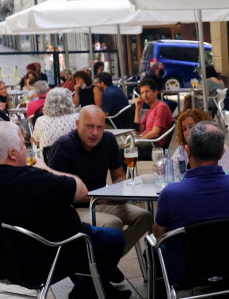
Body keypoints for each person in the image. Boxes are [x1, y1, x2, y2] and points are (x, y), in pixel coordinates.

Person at [0, 121, 130, 299]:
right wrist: (46, 168)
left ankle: (102, 290)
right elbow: (81, 191)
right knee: (112, 240)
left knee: (90, 240)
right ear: (13, 154)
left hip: (0, 263)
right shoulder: (33, 179)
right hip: (42, 260)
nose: (27, 149)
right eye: (24, 145)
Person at [153, 122, 229, 299]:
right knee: (223, 241)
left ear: (187, 150)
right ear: (222, 151)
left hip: (183, 271)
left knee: (153, 251)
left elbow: (158, 237)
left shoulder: (171, 193)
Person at [47, 106, 153, 263]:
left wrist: (119, 191)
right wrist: (101, 197)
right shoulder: (63, 146)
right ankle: (101, 266)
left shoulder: (108, 140)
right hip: (72, 209)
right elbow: (56, 193)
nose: (95, 132)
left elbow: (118, 175)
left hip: (101, 201)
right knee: (113, 224)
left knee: (145, 217)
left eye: (100, 127)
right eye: (89, 126)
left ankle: (103, 263)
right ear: (77, 124)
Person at [173, 108, 229, 176]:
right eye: (184, 129)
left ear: (202, 127)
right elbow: (172, 168)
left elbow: (228, 175)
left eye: (191, 127)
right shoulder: (182, 148)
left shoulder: (217, 146)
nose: (187, 132)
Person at [134, 77, 174, 148]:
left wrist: (137, 142)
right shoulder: (150, 111)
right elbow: (137, 131)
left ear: (155, 92)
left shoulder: (161, 107)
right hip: (147, 143)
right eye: (142, 93)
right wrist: (137, 109)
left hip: (154, 146)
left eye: (147, 91)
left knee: (120, 151)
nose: (145, 95)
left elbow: (155, 133)